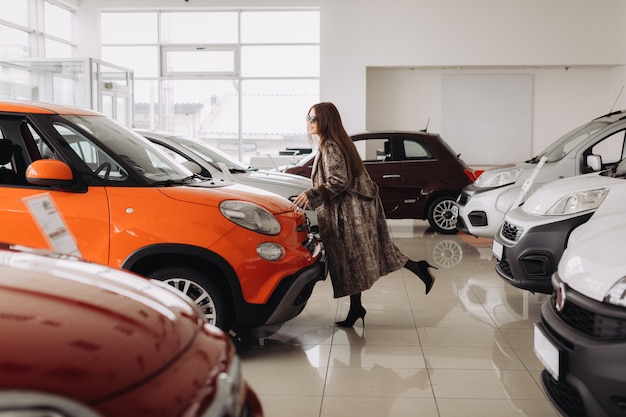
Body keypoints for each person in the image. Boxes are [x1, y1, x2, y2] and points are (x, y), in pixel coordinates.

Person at [293, 102, 437, 328]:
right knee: (363, 259)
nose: (309, 122)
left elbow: (338, 182)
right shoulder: (337, 142)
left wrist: (311, 195)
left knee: (353, 260)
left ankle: (359, 305)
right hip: (355, 210)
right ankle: (358, 306)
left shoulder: (331, 147)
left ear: (326, 121)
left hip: (349, 214)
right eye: (308, 117)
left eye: (314, 118)